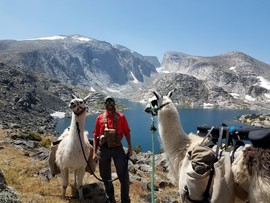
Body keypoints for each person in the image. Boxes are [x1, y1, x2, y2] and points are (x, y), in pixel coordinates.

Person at [93, 96, 133, 203]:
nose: (109, 104)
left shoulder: (121, 117)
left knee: (124, 176)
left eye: (111, 102)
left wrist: (130, 147)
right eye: (107, 102)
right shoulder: (99, 118)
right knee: (105, 176)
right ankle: (111, 199)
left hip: (118, 149)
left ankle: (125, 200)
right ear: (104, 104)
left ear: (114, 104)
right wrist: (94, 153)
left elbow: (127, 132)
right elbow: (96, 135)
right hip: (104, 150)